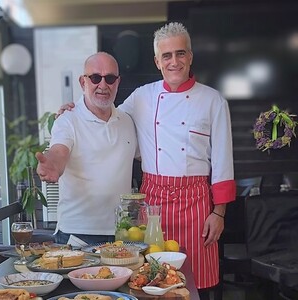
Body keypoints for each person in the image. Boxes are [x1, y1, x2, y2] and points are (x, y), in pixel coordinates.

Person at [57, 22, 236, 298]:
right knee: (150, 282)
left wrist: (219, 212)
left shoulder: (213, 100)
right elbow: (106, 113)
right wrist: (73, 108)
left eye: (180, 54)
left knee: (194, 286)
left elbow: (223, 159)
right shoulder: (142, 96)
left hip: (196, 203)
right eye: (167, 56)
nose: (174, 61)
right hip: (152, 205)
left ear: (190, 56)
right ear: (157, 61)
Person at [36, 52, 138, 245]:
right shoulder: (68, 120)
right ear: (83, 83)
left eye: (109, 78)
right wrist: (53, 165)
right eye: (95, 78)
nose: (102, 85)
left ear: (117, 82)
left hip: (121, 234)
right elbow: (59, 152)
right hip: (76, 236)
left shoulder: (127, 121)